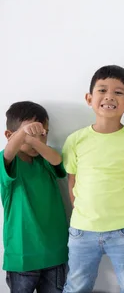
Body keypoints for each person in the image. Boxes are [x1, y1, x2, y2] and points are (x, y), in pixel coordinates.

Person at [62, 65, 124, 293]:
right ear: (89, 98)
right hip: (82, 230)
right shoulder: (75, 140)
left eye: (119, 92)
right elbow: (72, 182)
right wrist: (83, 212)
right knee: (76, 286)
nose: (109, 96)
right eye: (102, 90)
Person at [1, 101, 68, 292]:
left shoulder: (45, 160)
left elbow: (57, 161)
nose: (38, 139)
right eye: (30, 133)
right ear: (9, 135)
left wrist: (32, 140)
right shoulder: (7, 161)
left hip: (55, 254)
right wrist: (23, 135)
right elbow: (8, 153)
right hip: (22, 255)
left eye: (43, 134)